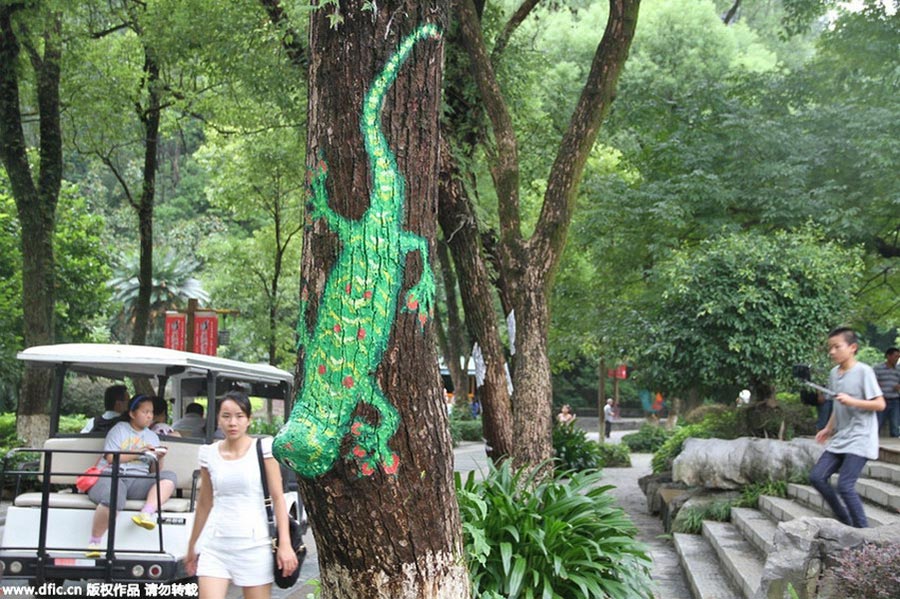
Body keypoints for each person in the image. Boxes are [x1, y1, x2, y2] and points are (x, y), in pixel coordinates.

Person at [185, 391, 298, 598]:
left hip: (254, 547)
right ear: (218, 419)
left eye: (239, 416)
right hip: (215, 545)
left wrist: (285, 544)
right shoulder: (208, 453)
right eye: (226, 416)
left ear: (248, 420)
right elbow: (204, 503)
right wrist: (192, 545)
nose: (232, 422)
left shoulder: (263, 448)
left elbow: (278, 497)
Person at [809, 327, 885, 528]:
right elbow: (837, 404)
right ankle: (846, 521)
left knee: (845, 485)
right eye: (830, 348)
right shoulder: (834, 373)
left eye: (837, 347)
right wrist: (828, 428)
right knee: (817, 477)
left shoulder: (864, 372)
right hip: (841, 437)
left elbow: (880, 404)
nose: (832, 352)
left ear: (852, 347)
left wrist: (853, 401)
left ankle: (863, 533)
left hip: (861, 437)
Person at [86, 395, 177, 556]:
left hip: (138, 480)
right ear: (132, 414)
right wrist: (139, 452)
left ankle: (146, 512)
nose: (149, 416)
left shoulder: (152, 436)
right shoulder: (119, 429)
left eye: (151, 412)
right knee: (114, 497)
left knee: (169, 477)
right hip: (111, 476)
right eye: (145, 412)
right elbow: (111, 458)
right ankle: (94, 542)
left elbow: (154, 473)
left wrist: (159, 458)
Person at [873, 347, 900, 438]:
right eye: (895, 356)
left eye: (898, 357)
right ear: (888, 356)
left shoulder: (898, 370)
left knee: (895, 424)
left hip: (895, 399)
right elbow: (873, 382)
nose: (897, 359)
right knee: (878, 423)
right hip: (882, 399)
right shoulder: (878, 368)